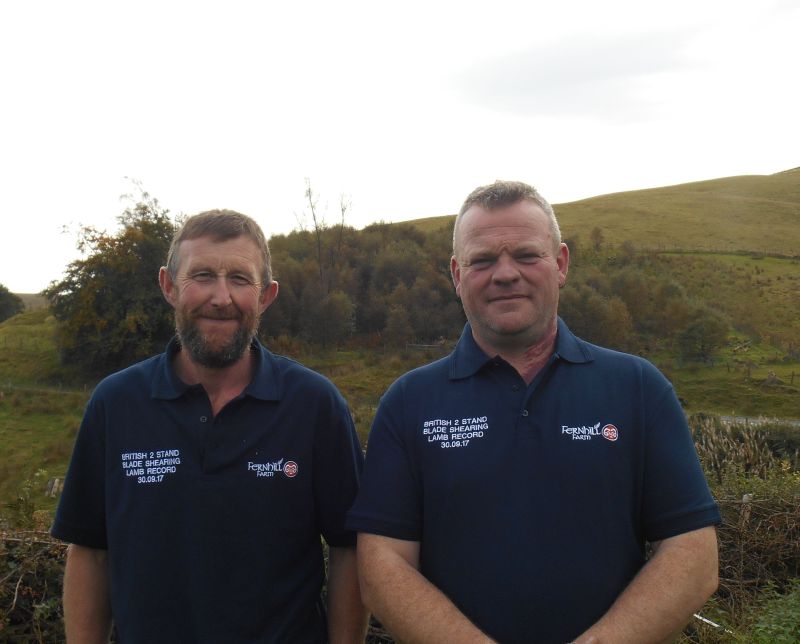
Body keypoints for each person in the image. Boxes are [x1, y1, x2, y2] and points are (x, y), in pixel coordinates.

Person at [346, 181, 721, 644]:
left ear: (560, 264)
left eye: (526, 255)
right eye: (482, 260)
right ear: (456, 274)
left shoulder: (638, 388)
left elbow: (693, 552)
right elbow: (382, 564)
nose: (505, 274)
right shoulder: (409, 402)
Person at [52, 210, 367, 643]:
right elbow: (90, 553)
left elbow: (350, 549)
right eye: (202, 275)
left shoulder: (316, 406)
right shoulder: (115, 404)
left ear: (266, 296)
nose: (222, 297)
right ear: (168, 286)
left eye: (240, 279)